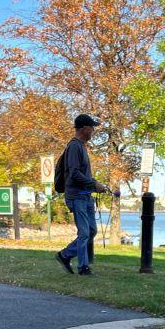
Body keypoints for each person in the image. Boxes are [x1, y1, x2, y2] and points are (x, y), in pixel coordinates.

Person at [55, 114, 119, 277]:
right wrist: (92, 184)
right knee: (84, 233)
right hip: (77, 197)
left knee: (91, 231)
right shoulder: (74, 146)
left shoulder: (81, 146)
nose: (93, 132)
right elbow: (74, 173)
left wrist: (97, 185)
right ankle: (83, 268)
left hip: (86, 196)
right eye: (92, 128)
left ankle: (65, 255)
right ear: (84, 129)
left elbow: (83, 175)